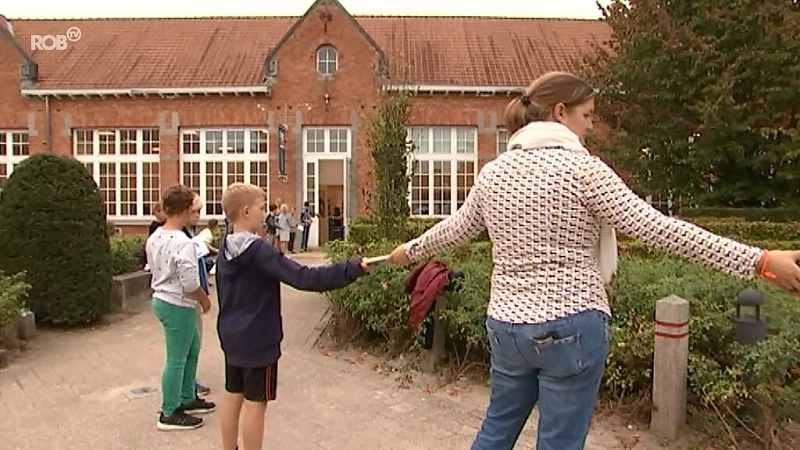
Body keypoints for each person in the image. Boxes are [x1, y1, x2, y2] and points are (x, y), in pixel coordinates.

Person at [385, 71, 800, 450]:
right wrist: (759, 260)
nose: (591, 125)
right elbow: (661, 230)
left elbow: (454, 229)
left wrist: (408, 251)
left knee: (496, 430)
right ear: (560, 112)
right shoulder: (584, 170)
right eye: (587, 115)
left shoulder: (494, 172)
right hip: (571, 325)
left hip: (507, 328)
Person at [215, 182, 373, 450]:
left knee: (233, 393)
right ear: (245, 211)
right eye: (262, 207)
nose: (266, 212)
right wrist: (352, 268)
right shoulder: (259, 251)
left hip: (232, 336)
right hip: (258, 340)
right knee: (256, 402)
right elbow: (304, 277)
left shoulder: (224, 249)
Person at [146, 185, 215, 431]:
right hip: (178, 303)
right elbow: (189, 282)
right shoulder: (181, 241)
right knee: (177, 358)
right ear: (184, 210)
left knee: (191, 349)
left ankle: (187, 396)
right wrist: (204, 300)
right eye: (195, 210)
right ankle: (169, 410)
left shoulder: (156, 237)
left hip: (165, 299)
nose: (197, 214)